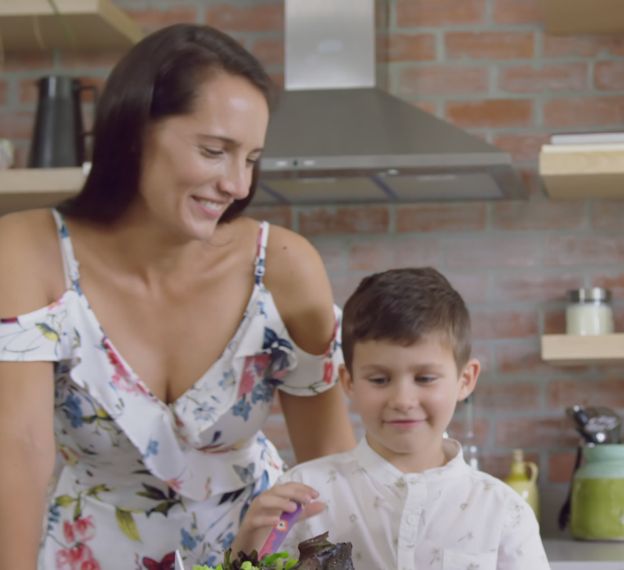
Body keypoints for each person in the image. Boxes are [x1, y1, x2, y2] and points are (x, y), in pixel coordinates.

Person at [0, 24, 357, 568]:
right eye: (215, 151)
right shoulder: (27, 253)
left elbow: (331, 467)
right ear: (133, 133)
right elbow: (18, 453)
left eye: (251, 159)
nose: (238, 184)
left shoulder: (283, 268)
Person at [231, 267, 550, 570]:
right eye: (380, 380)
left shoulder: (504, 511)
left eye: (425, 378)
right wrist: (246, 547)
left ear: (465, 380)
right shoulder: (301, 495)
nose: (402, 401)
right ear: (349, 381)